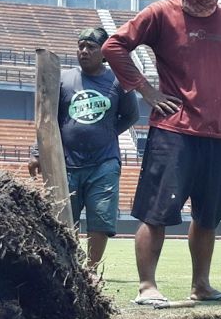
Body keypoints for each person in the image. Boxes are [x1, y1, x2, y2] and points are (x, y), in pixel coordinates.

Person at [102, 0, 221, 305]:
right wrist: (147, 91)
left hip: (217, 134)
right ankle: (147, 287)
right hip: (173, 132)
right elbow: (114, 46)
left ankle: (201, 285)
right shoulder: (160, 14)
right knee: (156, 213)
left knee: (208, 216)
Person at [28, 27, 139, 268]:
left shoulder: (118, 82)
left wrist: (108, 133)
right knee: (63, 218)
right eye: (80, 46)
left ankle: (91, 270)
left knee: (100, 218)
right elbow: (48, 118)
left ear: (104, 53)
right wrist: (37, 153)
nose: (84, 51)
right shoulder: (64, 80)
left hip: (104, 163)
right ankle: (68, 267)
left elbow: (131, 116)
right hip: (66, 163)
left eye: (91, 47)